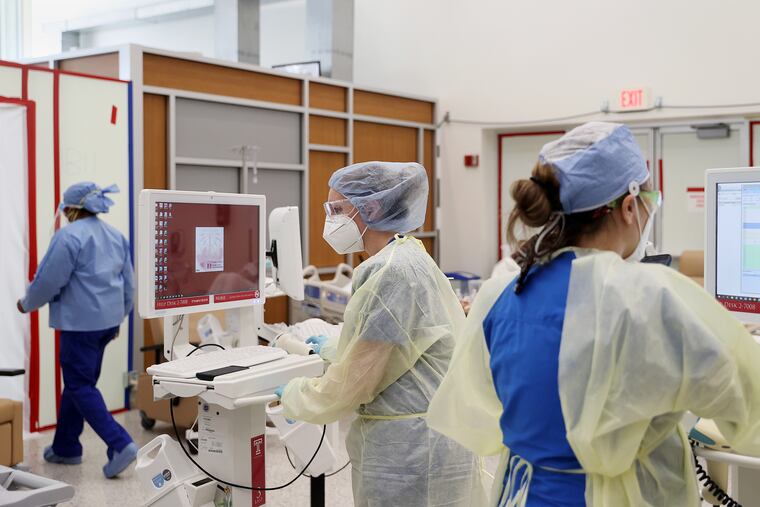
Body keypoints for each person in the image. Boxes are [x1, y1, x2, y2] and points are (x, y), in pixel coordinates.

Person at [427, 122, 760, 506]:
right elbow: (744, 402)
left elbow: (480, 408)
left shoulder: (500, 292)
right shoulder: (647, 297)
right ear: (631, 206)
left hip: (523, 494)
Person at [277, 161, 484, 506]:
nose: (330, 220)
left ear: (370, 208)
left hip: (411, 453)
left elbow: (358, 380)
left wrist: (297, 396)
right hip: (428, 439)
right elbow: (398, 343)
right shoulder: (408, 254)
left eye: (338, 209)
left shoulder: (390, 271)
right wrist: (336, 347)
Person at [17, 182, 137, 478]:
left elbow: (48, 280)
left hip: (79, 326)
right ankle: (66, 447)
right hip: (108, 324)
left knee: (80, 386)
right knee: (78, 384)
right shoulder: (115, 235)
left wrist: (26, 303)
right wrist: (120, 318)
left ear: (71, 209)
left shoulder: (68, 236)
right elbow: (129, 284)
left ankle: (120, 444)